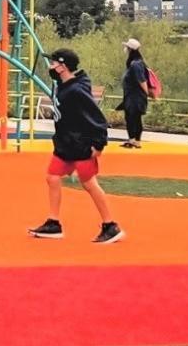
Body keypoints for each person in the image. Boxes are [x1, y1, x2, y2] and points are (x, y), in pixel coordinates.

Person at [29, 48, 125, 244]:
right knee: (52, 177)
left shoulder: (76, 91)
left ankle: (110, 225)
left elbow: (96, 118)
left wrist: (99, 144)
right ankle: (53, 223)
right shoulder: (62, 85)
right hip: (65, 144)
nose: (51, 66)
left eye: (54, 63)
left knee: (89, 183)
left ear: (63, 67)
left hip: (81, 144)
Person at [116, 38, 149, 149]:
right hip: (132, 96)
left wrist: (147, 93)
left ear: (130, 49)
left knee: (132, 117)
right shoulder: (137, 63)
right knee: (134, 117)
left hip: (135, 96)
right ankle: (134, 140)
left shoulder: (136, 64)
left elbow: (142, 80)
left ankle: (134, 140)